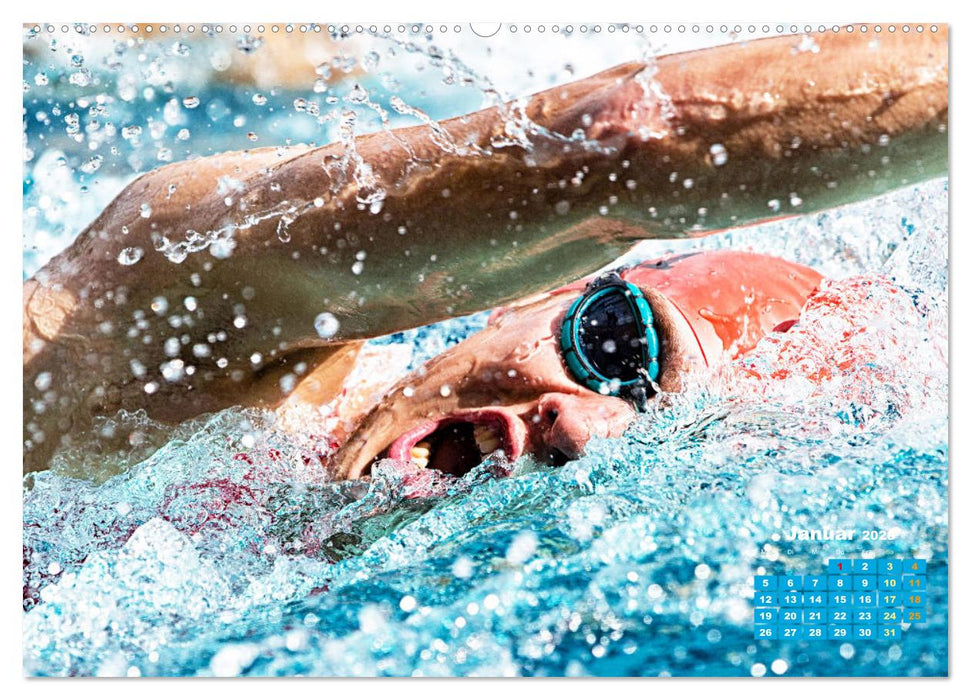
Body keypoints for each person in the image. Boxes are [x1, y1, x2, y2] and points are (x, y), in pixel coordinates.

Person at [22, 29, 948, 478]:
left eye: (667, 444)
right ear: (531, 287)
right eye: (618, 348)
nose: (579, 431)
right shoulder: (183, 311)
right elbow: (624, 140)